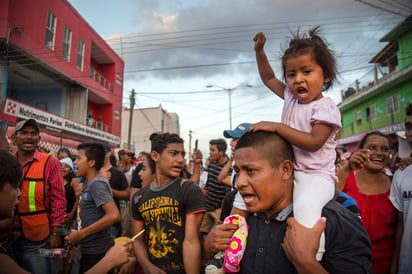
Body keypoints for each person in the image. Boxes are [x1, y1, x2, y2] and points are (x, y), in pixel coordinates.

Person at [204, 131, 372, 273]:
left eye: (251, 171)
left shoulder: (334, 222)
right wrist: (211, 249)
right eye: (237, 171)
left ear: (285, 170)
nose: (240, 182)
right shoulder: (238, 216)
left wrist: (307, 264)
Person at [249, 28, 341, 260]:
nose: (298, 79)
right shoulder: (291, 97)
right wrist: (260, 51)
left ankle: (311, 257)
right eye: (291, 74)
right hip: (291, 171)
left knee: (306, 208)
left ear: (326, 76)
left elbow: (313, 143)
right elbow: (269, 78)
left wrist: (277, 127)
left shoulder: (325, 108)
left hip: (316, 176)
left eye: (307, 71)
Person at [131, 133, 205, 274]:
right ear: (155, 156)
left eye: (182, 155)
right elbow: (137, 239)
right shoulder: (139, 197)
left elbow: (191, 242)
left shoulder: (188, 190)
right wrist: (147, 266)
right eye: (173, 154)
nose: (180, 160)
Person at [5, 119, 66, 274]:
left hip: (37, 239)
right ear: (14, 138)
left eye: (33, 134)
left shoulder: (50, 162)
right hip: (7, 237)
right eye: (24, 133)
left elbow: (58, 198)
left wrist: (55, 233)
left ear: (39, 139)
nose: (29, 137)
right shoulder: (7, 161)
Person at [337, 131, 396, 273]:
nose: (379, 153)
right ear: (359, 150)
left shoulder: (396, 183)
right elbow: (327, 201)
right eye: (372, 147)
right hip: (347, 263)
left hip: (385, 264)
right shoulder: (347, 176)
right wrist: (348, 168)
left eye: (385, 149)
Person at [65, 142, 121, 273]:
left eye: (79, 158)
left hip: (98, 253)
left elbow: (114, 215)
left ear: (91, 163)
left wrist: (81, 234)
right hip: (88, 250)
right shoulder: (88, 183)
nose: (75, 162)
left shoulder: (97, 184)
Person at [389, 103, 412, 274]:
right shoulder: (401, 174)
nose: (411, 133)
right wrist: (395, 267)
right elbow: (401, 226)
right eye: (409, 127)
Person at [200, 138, 232, 235]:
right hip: (207, 206)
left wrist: (222, 212)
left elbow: (228, 194)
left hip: (218, 210)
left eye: (213, 150)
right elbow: (208, 184)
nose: (210, 153)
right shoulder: (212, 165)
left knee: (219, 237)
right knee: (200, 233)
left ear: (221, 152)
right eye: (210, 150)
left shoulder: (228, 169)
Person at [100, 144, 130, 238]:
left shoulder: (117, 174)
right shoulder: (92, 172)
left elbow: (127, 194)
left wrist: (109, 190)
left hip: (111, 224)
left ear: (108, 154)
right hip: (92, 221)